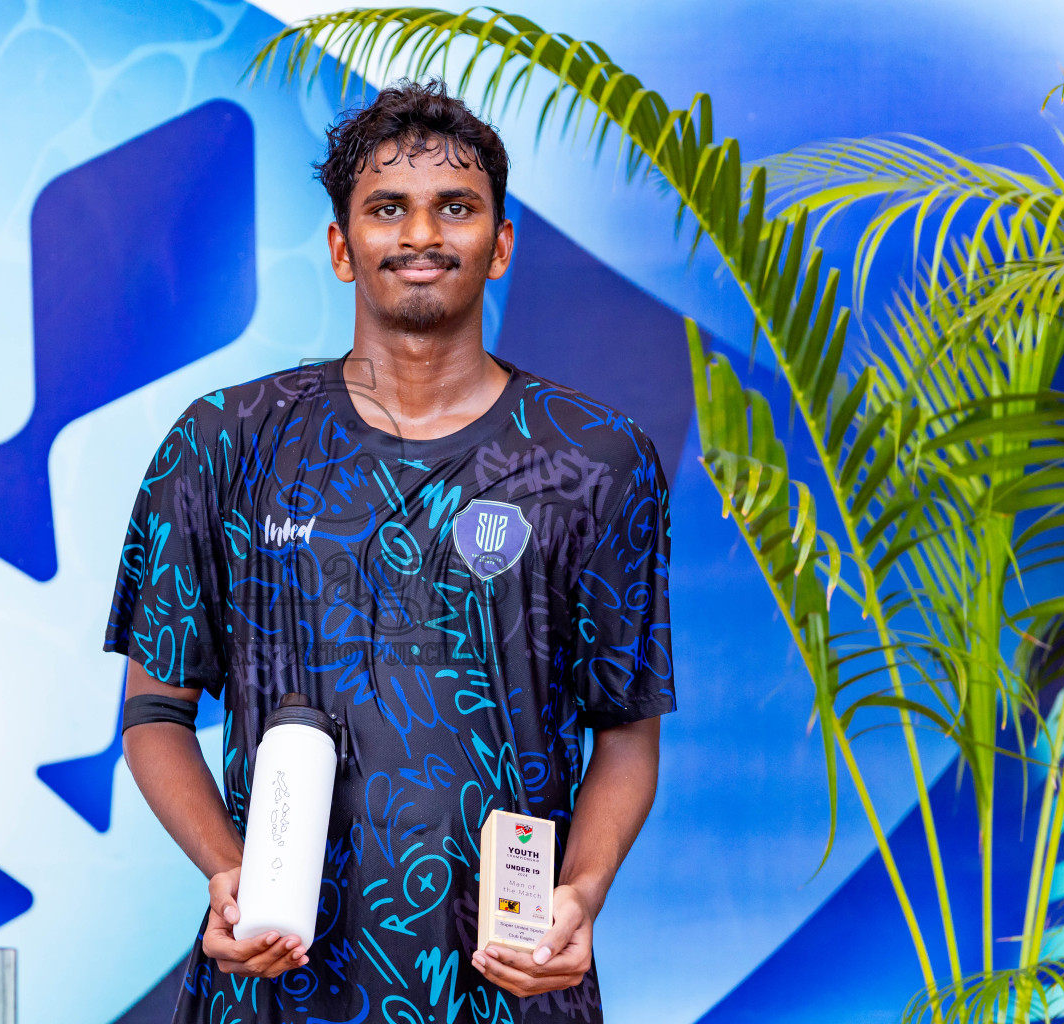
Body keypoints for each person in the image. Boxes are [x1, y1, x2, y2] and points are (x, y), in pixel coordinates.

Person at [106, 78, 673, 1023]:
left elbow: (627, 729)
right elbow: (155, 711)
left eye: (455, 207)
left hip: (508, 985)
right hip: (277, 985)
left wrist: (581, 892)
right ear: (341, 247)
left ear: (500, 246)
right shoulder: (226, 443)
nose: (421, 235)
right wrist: (228, 871)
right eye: (386, 209)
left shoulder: (594, 460)